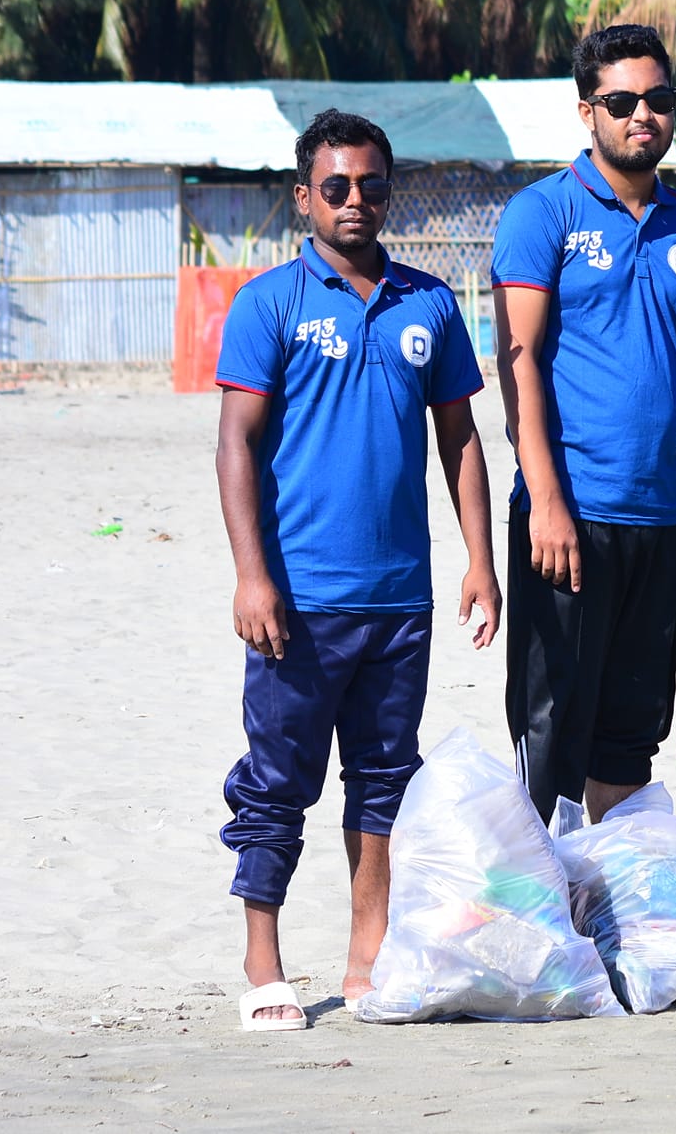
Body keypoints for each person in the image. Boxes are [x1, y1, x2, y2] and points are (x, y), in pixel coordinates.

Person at [215, 110, 499, 1030]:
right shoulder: (271, 302)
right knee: (277, 783)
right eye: (335, 187)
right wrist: (252, 577)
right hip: (298, 599)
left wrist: (479, 564)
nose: (354, 201)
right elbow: (234, 445)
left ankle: (366, 956)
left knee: (384, 780)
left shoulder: (430, 303)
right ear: (304, 197)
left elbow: (460, 440)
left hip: (399, 599)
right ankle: (264, 962)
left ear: (389, 191)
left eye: (371, 185)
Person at [492, 24, 676, 826]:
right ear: (586, 111)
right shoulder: (543, 211)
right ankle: (543, 928)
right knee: (551, 730)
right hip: (567, 516)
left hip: (662, 516)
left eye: (659, 99)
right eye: (623, 100)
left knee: (628, 737)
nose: (644, 115)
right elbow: (517, 360)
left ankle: (612, 923)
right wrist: (547, 500)